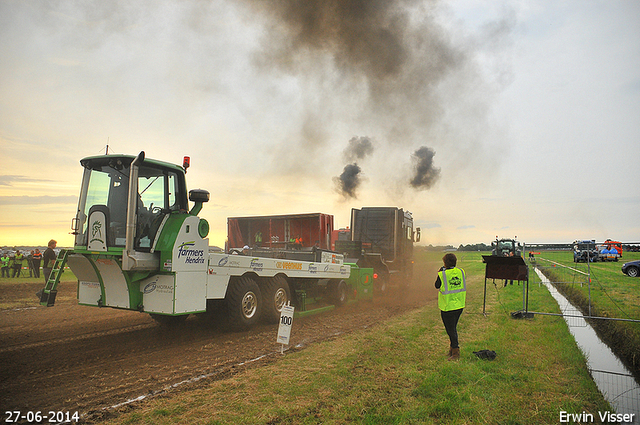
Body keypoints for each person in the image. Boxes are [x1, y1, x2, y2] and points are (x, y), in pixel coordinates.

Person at [435, 253, 467, 361]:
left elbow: (436, 285)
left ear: (445, 263)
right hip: (459, 306)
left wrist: (441, 272)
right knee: (452, 329)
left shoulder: (443, 274)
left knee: (451, 330)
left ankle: (456, 352)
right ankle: (452, 350)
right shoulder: (461, 272)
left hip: (448, 307)